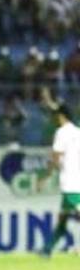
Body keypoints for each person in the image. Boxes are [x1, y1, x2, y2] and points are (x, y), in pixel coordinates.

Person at [44, 103, 80, 257]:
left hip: (69, 180)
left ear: (60, 116)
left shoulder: (61, 133)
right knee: (64, 217)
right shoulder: (78, 132)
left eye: (55, 117)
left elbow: (56, 156)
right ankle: (47, 249)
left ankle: (50, 249)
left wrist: (46, 175)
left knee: (72, 215)